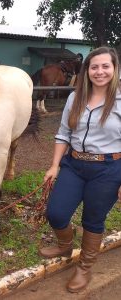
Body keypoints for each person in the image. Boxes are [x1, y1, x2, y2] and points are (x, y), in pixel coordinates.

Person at [39, 46, 121, 293]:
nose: (99, 71)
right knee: (56, 213)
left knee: (92, 220)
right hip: (74, 165)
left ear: (115, 69)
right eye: (94, 66)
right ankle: (65, 244)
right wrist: (54, 165)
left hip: (108, 168)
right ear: (87, 70)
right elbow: (64, 133)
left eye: (105, 66)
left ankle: (85, 266)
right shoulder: (76, 97)